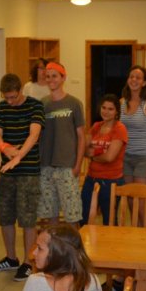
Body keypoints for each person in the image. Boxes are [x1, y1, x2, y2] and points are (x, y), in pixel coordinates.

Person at [0, 73, 44, 281]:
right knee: (5, 215)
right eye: (6, 97)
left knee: (28, 219)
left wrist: (18, 156)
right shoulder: (3, 107)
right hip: (7, 171)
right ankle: (11, 258)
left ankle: (29, 262)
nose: (10, 101)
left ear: (21, 90)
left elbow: (34, 134)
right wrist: (5, 148)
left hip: (28, 172)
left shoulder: (35, 105)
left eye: (13, 97)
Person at [38, 62, 85, 226]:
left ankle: (74, 243)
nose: (51, 80)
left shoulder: (74, 103)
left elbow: (81, 136)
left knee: (72, 214)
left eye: (54, 76)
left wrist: (78, 165)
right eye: (48, 76)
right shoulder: (42, 104)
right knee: (50, 213)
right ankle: (54, 243)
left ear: (63, 78)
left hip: (67, 166)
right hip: (46, 165)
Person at [81, 94, 128, 225]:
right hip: (91, 178)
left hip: (111, 181)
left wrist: (92, 154)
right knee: (84, 217)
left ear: (117, 112)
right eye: (104, 107)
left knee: (109, 221)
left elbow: (109, 157)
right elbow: (84, 149)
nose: (106, 111)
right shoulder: (96, 126)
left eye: (110, 109)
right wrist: (98, 153)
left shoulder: (120, 129)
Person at [120, 65, 146, 187]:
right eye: (131, 77)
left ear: (144, 83)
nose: (134, 80)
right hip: (124, 156)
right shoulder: (121, 102)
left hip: (144, 157)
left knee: (140, 196)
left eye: (138, 78)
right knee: (128, 195)